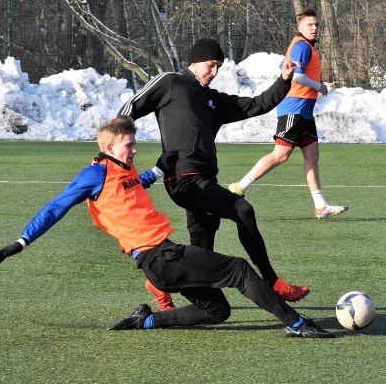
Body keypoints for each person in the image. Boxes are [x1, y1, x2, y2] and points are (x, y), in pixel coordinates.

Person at [0, 118, 334, 338]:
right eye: (129, 145)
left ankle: (146, 321)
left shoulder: (123, 172)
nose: (134, 149)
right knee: (240, 270)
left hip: (160, 261)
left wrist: (158, 168)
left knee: (217, 312)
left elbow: (138, 183)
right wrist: (21, 241)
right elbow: (55, 207)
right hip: (161, 257)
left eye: (134, 144)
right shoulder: (95, 173)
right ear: (109, 147)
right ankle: (297, 323)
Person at [116, 38, 310, 306]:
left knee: (202, 250)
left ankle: (160, 283)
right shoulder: (171, 82)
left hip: (205, 181)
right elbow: (129, 110)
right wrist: (116, 150)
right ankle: (273, 282)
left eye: (218, 66)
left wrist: (284, 79)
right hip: (182, 180)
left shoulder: (212, 100)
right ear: (194, 61)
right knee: (243, 210)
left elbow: (257, 104)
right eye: (210, 65)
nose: (214, 72)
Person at [228, 9, 348, 219]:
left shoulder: (302, 46)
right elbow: (297, 77)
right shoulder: (302, 45)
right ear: (300, 28)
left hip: (305, 112)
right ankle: (239, 187)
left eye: (316, 25)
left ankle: (320, 206)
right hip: (294, 109)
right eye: (309, 25)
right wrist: (319, 86)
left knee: (312, 156)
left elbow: (285, 65)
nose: (314, 28)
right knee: (280, 156)